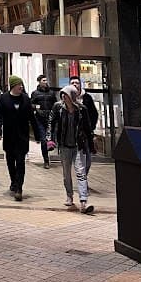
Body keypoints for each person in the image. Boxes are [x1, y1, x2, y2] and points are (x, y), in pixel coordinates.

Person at [47, 84, 96, 214]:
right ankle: (69, 196)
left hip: (78, 146)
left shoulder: (82, 110)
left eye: (66, 95)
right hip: (64, 146)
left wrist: (90, 145)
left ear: (72, 97)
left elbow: (87, 128)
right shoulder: (58, 107)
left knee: (81, 173)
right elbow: (51, 123)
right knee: (66, 174)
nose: (64, 97)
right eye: (62, 94)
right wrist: (50, 139)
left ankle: (83, 201)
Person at [0, 75, 40, 202]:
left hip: (22, 137)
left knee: (20, 162)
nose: (21, 87)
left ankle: (19, 188)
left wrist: (37, 135)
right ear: (13, 86)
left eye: (22, 85)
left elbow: (32, 118)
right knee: (10, 161)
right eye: (19, 85)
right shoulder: (3, 99)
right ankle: (14, 181)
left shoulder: (25, 99)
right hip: (9, 136)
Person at [70, 76, 98, 174]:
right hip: (72, 134)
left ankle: (83, 176)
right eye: (72, 82)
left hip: (85, 133)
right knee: (77, 159)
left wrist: (91, 127)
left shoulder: (87, 98)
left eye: (76, 83)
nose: (74, 84)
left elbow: (94, 114)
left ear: (80, 84)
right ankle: (81, 180)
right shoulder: (67, 98)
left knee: (88, 160)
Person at [30, 74, 58, 168]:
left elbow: (55, 104)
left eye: (46, 80)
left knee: (50, 138)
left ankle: (50, 148)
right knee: (43, 140)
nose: (45, 82)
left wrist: (54, 113)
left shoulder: (51, 93)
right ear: (39, 82)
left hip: (50, 119)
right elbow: (32, 104)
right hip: (40, 119)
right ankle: (46, 160)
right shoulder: (35, 93)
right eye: (43, 80)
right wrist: (38, 109)